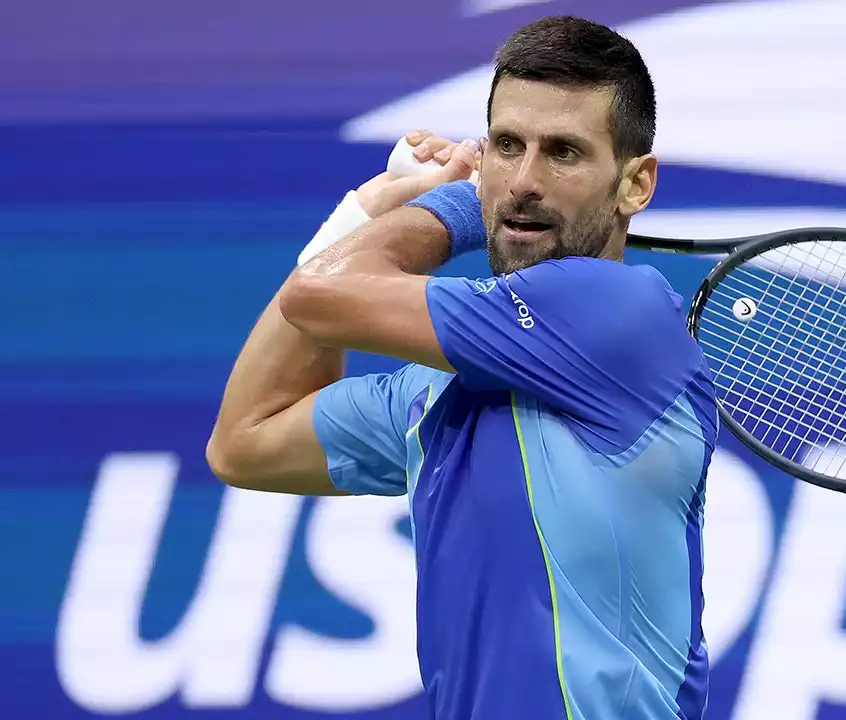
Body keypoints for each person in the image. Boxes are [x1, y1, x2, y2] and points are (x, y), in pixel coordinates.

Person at [206, 15, 717, 720]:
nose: (524, 182)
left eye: (563, 153)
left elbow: (322, 293)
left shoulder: (622, 315)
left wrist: (450, 201)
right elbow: (246, 440)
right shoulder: (433, 390)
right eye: (507, 147)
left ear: (636, 185)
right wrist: (368, 211)